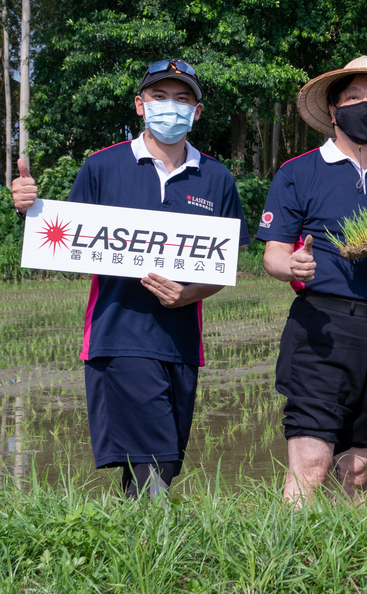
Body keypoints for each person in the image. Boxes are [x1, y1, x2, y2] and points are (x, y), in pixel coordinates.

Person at [11, 59, 250, 498]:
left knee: (163, 459)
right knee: (152, 458)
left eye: (182, 99)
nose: (170, 107)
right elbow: (66, 243)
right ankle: (161, 547)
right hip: (117, 332)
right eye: (160, 97)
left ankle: (134, 543)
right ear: (140, 106)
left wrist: (188, 293)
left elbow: (224, 266)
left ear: (197, 112)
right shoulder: (103, 167)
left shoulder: (216, 178)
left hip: (180, 341)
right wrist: (31, 209)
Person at [258, 55, 367, 504]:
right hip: (322, 329)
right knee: (312, 469)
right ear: (334, 110)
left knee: (356, 473)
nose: (366, 105)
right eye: (355, 97)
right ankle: (287, 560)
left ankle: (346, 562)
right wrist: (293, 267)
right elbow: (274, 254)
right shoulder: (299, 172)